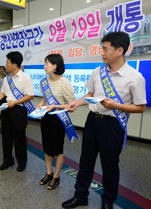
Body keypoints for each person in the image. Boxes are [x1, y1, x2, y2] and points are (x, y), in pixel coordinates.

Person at [62, 32, 146, 209]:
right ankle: (80, 195)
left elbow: (140, 107)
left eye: (105, 49)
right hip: (92, 121)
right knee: (85, 161)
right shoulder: (98, 71)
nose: (102, 52)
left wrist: (116, 106)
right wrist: (76, 103)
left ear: (119, 50)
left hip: (113, 125)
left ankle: (108, 201)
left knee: (110, 166)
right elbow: (90, 94)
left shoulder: (135, 77)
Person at [0, 51, 34, 172]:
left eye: (7, 62)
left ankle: (22, 162)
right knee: (6, 137)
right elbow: (2, 93)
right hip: (7, 109)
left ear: (15, 64)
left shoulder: (26, 78)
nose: (5, 65)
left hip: (19, 111)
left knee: (19, 138)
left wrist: (16, 102)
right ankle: (8, 160)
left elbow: (30, 96)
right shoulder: (7, 78)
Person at [37, 54, 75, 190]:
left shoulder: (64, 82)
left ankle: (56, 177)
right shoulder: (44, 82)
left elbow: (71, 105)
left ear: (55, 66)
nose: (44, 66)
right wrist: (40, 105)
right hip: (46, 118)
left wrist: (55, 106)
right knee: (47, 148)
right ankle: (48, 173)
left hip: (58, 119)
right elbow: (44, 99)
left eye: (46, 63)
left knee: (58, 149)